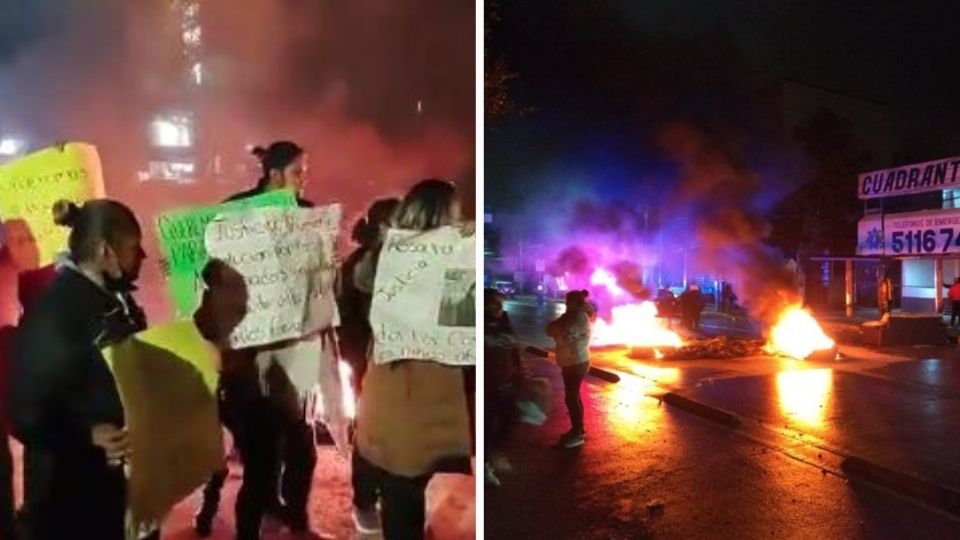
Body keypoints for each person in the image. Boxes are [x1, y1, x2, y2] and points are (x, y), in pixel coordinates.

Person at [195, 141, 322, 540]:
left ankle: (294, 516)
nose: (305, 179)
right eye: (299, 171)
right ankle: (254, 524)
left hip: (295, 353)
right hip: (248, 361)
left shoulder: (306, 215)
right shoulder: (236, 212)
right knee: (262, 463)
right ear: (275, 174)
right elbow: (207, 275)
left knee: (303, 449)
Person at [10, 199, 147, 540]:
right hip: (72, 502)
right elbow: (25, 412)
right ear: (105, 251)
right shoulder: (58, 311)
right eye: (133, 247)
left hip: (110, 491)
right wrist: (87, 437)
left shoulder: (109, 301)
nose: (141, 256)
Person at [353, 179, 473, 540]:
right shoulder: (442, 256)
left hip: (388, 382)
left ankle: (372, 503)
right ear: (442, 214)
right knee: (404, 484)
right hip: (422, 389)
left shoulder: (383, 255)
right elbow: (458, 319)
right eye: (453, 212)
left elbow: (361, 282)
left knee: (393, 467)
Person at [336, 197, 400, 535]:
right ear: (383, 227)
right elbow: (345, 321)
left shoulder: (409, 262)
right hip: (371, 364)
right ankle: (364, 499)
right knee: (373, 435)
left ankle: (389, 496)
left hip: (403, 367)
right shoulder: (361, 267)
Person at [484, 288, 524, 486]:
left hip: (507, 382)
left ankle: (491, 453)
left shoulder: (505, 324)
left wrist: (521, 372)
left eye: (500, 303)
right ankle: (484, 466)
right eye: (492, 303)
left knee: (511, 419)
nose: (498, 307)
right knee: (485, 426)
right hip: (485, 386)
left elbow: (514, 351)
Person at [545, 289, 594, 449]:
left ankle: (578, 433)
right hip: (573, 360)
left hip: (575, 362)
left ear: (575, 303)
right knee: (573, 397)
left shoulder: (577, 318)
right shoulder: (573, 315)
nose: (565, 304)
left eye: (568, 301)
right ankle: (577, 430)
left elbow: (553, 330)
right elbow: (551, 330)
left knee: (571, 398)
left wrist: (557, 326)